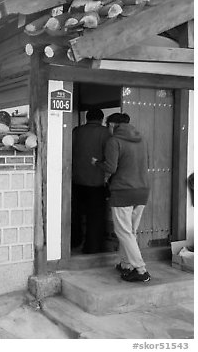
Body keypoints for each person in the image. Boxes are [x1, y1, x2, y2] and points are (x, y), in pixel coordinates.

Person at [93, 113, 151, 282]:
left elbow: (110, 168)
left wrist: (97, 162)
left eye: (107, 126)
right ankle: (126, 264)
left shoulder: (114, 141)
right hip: (142, 191)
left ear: (113, 124)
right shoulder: (142, 139)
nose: (107, 129)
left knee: (123, 231)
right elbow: (147, 162)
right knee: (130, 231)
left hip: (123, 191)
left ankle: (141, 270)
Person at [71, 109, 110, 253]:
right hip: (96, 182)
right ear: (101, 119)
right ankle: (92, 247)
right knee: (95, 217)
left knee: (75, 214)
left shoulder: (76, 131)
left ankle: (74, 241)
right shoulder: (105, 133)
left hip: (76, 180)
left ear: (87, 118)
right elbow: (109, 157)